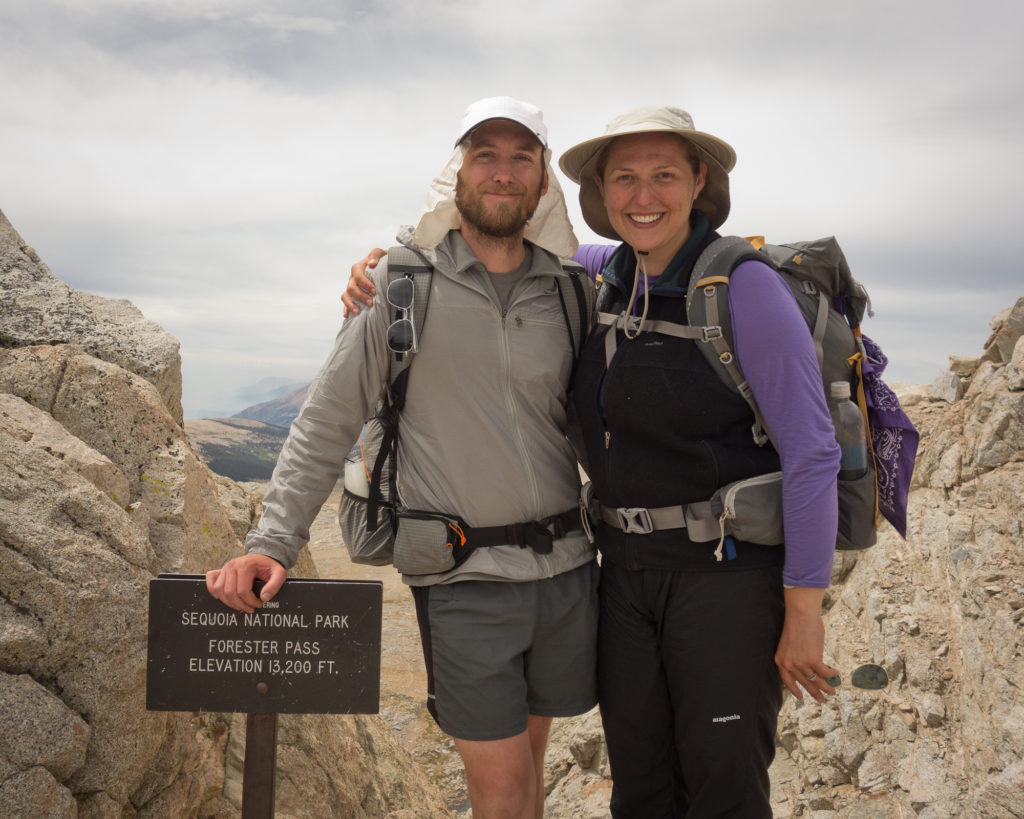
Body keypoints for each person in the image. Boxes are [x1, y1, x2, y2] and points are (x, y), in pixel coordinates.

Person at [206, 96, 599, 819]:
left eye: (522, 158)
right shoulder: (401, 283)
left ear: (545, 182)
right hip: (464, 574)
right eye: (486, 155)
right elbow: (327, 418)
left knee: (530, 769)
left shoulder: (571, 290)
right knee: (505, 787)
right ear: (457, 173)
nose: (504, 173)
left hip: (566, 571)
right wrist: (272, 541)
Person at [555, 106, 841, 817]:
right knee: (642, 788)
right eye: (624, 177)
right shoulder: (609, 272)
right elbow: (509, 250)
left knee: (723, 790)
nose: (643, 196)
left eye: (663, 176)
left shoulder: (742, 287)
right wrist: (392, 262)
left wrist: (805, 608)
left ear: (699, 181)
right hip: (624, 577)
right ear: (601, 190)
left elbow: (812, 450)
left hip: (725, 583)